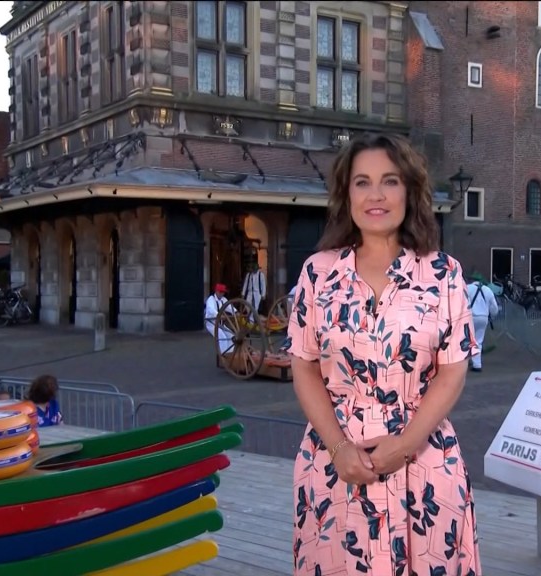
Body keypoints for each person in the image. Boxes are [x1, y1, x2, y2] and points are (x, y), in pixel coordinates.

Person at [283, 132, 481, 575]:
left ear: (409, 191)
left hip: (425, 463)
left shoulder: (444, 274)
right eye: (363, 182)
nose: (376, 195)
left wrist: (405, 446)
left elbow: (452, 372)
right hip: (334, 462)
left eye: (390, 181)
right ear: (347, 194)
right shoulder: (318, 274)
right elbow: (304, 365)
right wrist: (338, 448)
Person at [466, 272, 499, 372]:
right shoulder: (488, 290)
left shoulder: (467, 288)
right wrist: (492, 316)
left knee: (466, 340)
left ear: (472, 280)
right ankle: (477, 364)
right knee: (478, 341)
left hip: (470, 317)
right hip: (483, 318)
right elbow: (494, 308)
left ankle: (466, 362)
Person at [204, 283, 234, 354]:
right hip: (212, 323)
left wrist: (235, 312)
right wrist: (219, 315)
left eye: (223, 292)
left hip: (220, 324)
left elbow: (229, 307)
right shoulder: (211, 299)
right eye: (220, 292)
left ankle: (230, 354)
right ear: (216, 291)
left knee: (232, 336)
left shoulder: (223, 299)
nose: (222, 294)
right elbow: (211, 310)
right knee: (222, 337)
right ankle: (223, 355)